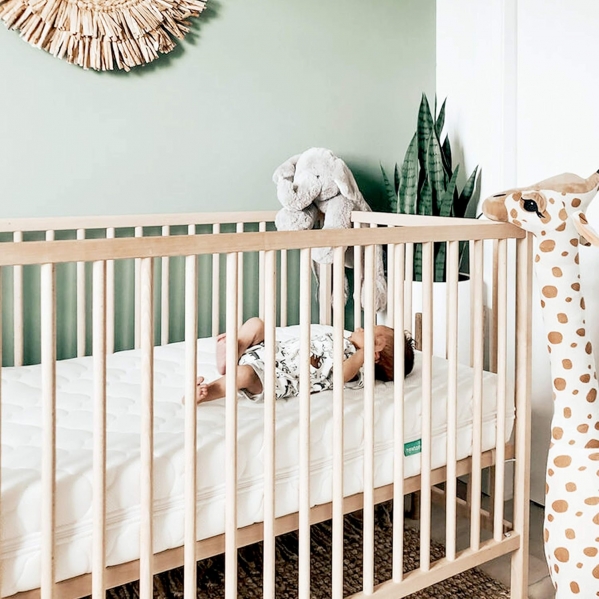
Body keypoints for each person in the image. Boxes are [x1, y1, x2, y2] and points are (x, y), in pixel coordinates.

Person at [195, 317, 415, 404]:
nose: (359, 328)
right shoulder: (340, 339)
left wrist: (362, 355)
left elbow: (340, 375)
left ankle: (207, 391)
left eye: (367, 332)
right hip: (270, 352)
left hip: (275, 376)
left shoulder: (358, 369)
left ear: (375, 355)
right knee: (257, 324)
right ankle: (234, 352)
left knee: (243, 375)